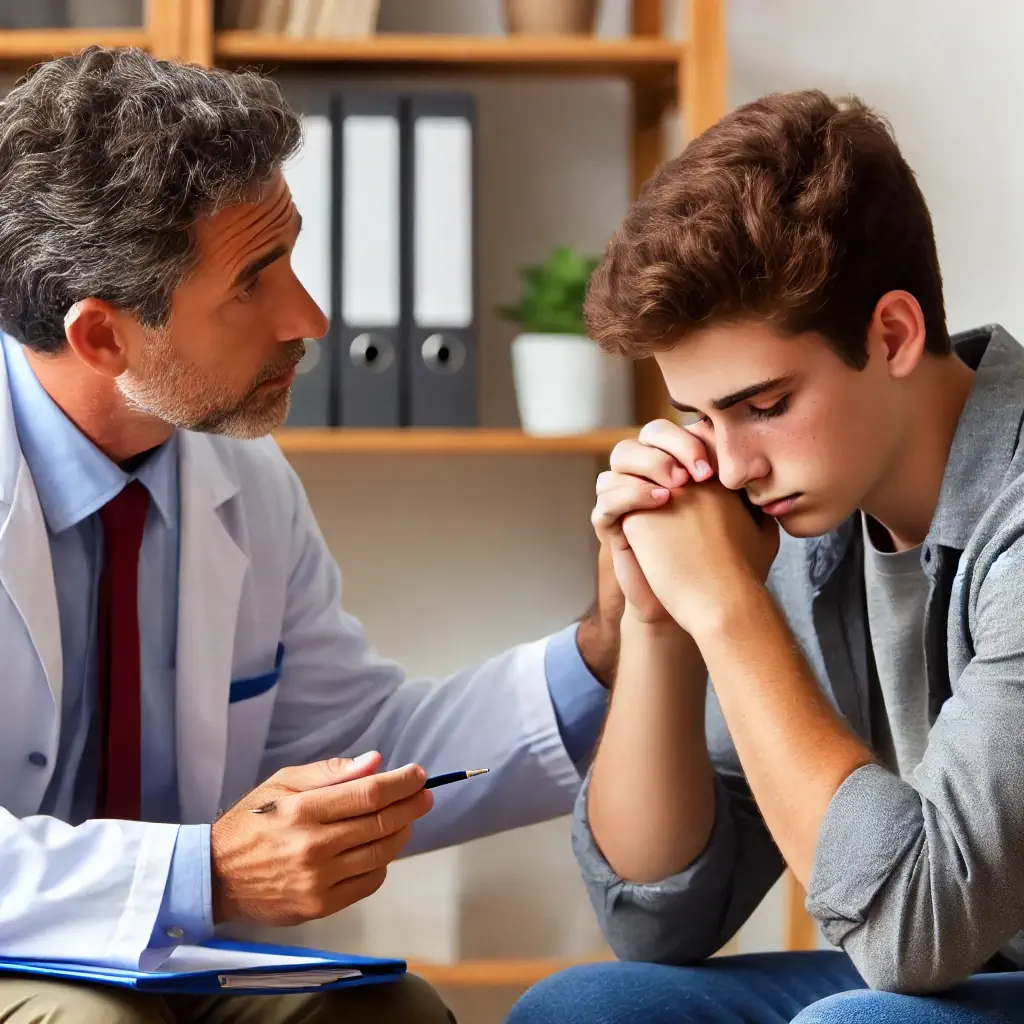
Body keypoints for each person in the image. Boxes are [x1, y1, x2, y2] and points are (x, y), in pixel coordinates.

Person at [0, 46, 620, 1024]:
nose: (312, 318)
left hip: (170, 956)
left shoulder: (238, 470)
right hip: (24, 945)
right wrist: (205, 870)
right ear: (101, 337)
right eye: (253, 281)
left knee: (388, 1014)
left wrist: (603, 654)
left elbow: (354, 748)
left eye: (290, 255)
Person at [506, 89, 1024, 1024]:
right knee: (587, 1009)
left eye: (767, 403)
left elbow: (915, 933)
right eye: (701, 416)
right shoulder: (806, 506)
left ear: (894, 334)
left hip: (937, 960)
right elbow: (658, 921)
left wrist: (728, 610)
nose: (732, 465)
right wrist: (662, 620)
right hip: (948, 976)